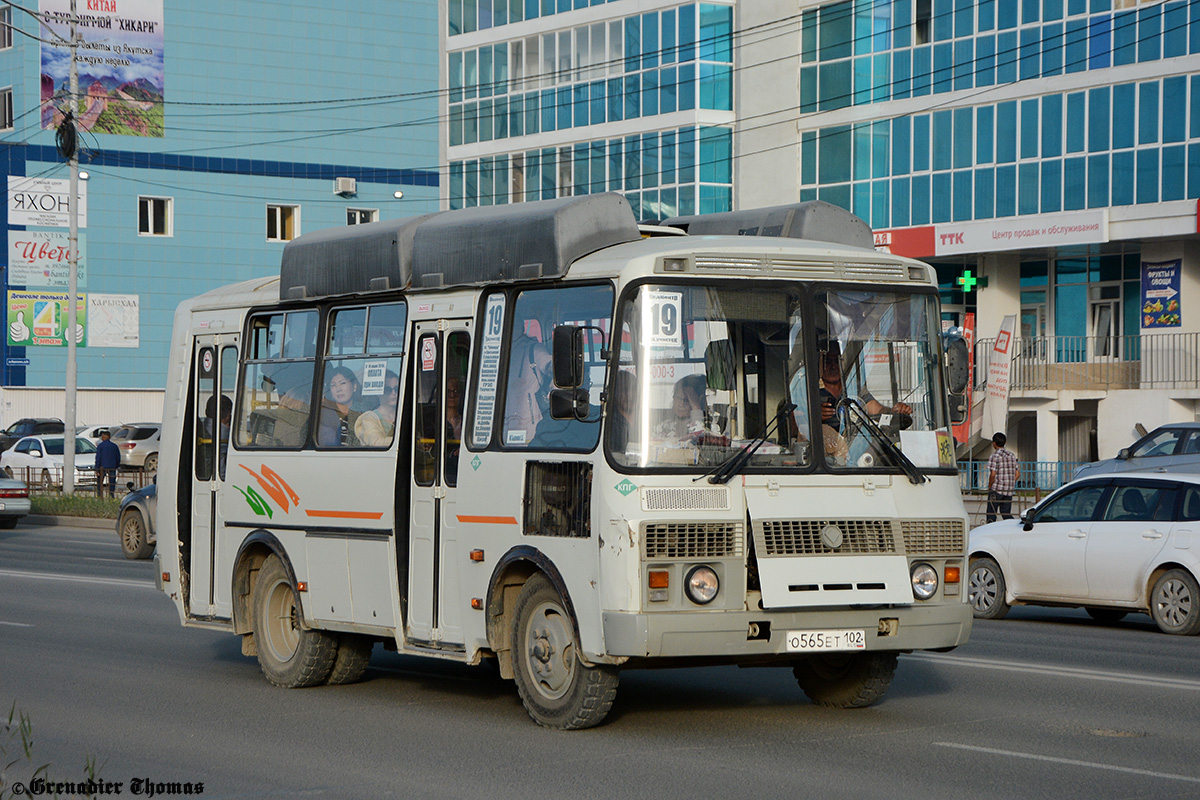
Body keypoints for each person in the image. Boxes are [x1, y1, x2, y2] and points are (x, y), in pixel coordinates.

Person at [317, 365, 361, 446]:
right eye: (333, 385)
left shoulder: (362, 412)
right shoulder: (325, 414)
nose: (338, 389)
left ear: (354, 386)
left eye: (343, 383)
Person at [655, 374, 708, 441]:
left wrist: (696, 409)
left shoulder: (708, 425)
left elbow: (699, 439)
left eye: (686, 400)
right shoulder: (665, 426)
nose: (681, 404)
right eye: (678, 398)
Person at [355, 371, 400, 447]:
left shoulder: (403, 415)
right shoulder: (369, 418)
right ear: (379, 392)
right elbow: (376, 443)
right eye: (387, 390)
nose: (393, 393)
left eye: (396, 389)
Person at [986, 432, 1020, 523]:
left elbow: (993, 474)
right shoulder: (1011, 455)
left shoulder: (994, 456)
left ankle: (989, 531)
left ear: (994, 443)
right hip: (1008, 490)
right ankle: (1013, 527)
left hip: (997, 489)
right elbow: (1017, 474)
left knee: (991, 513)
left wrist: (989, 486)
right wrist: (1010, 483)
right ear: (1004, 443)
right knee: (1006, 513)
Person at [94, 429, 120, 497]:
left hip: (102, 467)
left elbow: (98, 457)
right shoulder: (114, 446)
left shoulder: (100, 446)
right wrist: (116, 465)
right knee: (112, 482)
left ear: (104, 437)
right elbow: (118, 457)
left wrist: (97, 468)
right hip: (112, 466)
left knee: (100, 482)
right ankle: (111, 495)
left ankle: (100, 495)